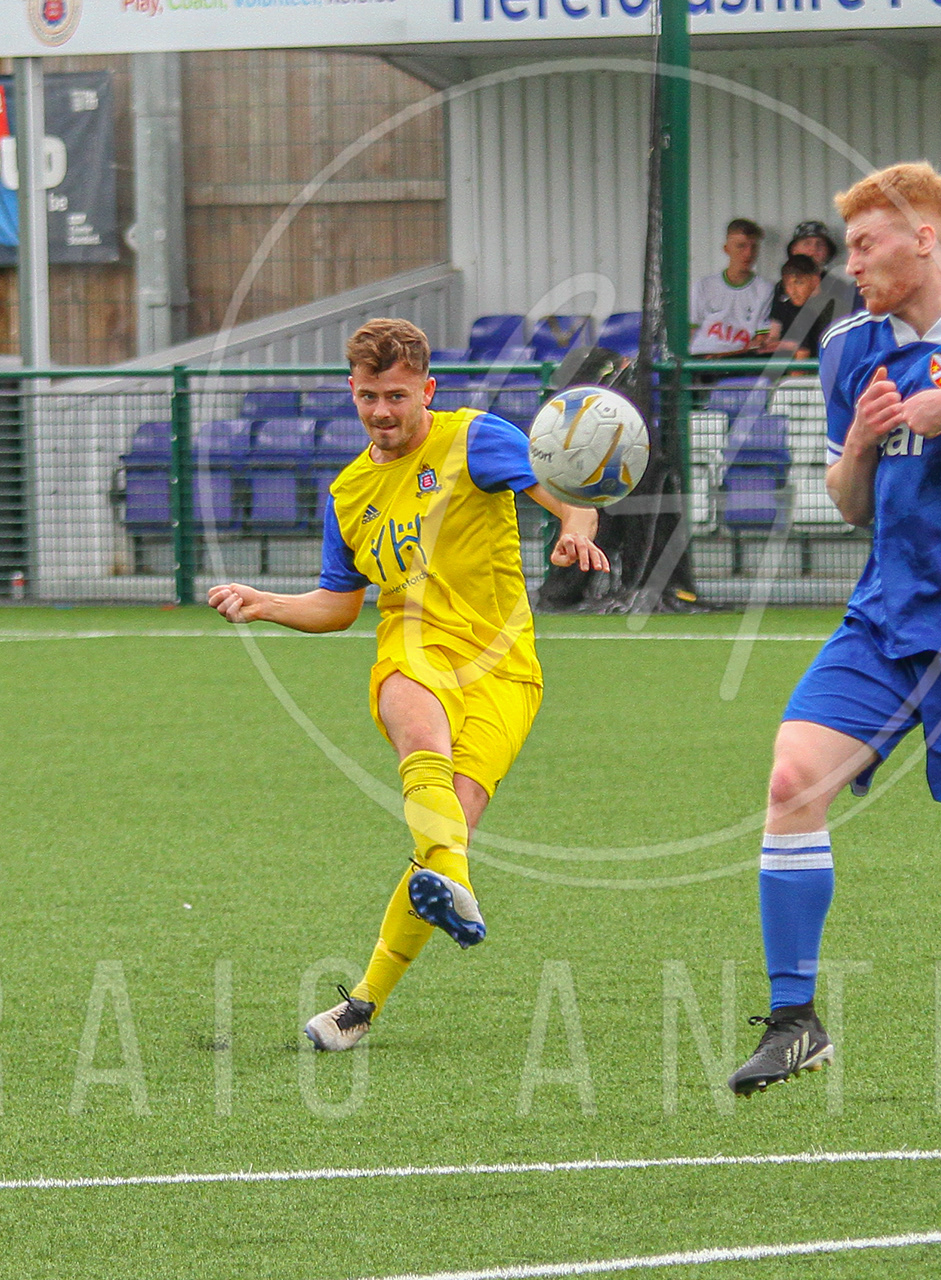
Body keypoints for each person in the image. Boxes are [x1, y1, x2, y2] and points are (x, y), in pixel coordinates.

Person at [724, 162, 941, 1177]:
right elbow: (850, 503)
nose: (852, 265)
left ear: (925, 237)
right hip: (885, 618)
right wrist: (863, 443)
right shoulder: (849, 347)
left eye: (866, 245)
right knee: (792, 782)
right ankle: (796, 1017)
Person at [206, 318, 610, 1049]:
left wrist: (576, 529)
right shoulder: (348, 493)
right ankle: (459, 889)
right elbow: (339, 606)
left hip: (503, 667)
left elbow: (571, 492)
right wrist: (266, 604)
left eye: (396, 396)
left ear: (427, 389)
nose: (382, 412)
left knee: (444, 838)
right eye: (368, 397)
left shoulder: (473, 438)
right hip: (412, 651)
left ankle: (362, 1003)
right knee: (419, 740)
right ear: (351, 392)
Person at [689, 218, 774, 357]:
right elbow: (690, 330)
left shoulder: (765, 289)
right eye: (741, 246)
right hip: (702, 356)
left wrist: (723, 356)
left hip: (738, 359)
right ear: (726, 249)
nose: (748, 253)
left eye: (753, 247)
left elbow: (761, 339)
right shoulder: (704, 285)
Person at [761, 254, 839, 358]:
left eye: (799, 283)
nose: (792, 291)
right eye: (788, 285)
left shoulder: (829, 308)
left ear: (815, 281)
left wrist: (790, 346)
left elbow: (804, 353)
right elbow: (774, 334)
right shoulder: (787, 305)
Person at [786, 219, 862, 319]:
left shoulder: (838, 287)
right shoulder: (780, 288)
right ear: (794, 250)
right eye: (807, 243)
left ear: (828, 252)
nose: (813, 249)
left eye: (820, 244)